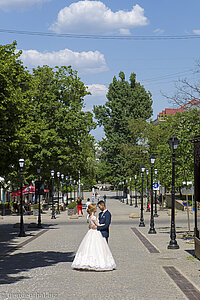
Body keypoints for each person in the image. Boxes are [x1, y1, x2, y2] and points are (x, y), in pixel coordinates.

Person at [71, 203, 116, 271]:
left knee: (91, 247)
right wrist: (98, 226)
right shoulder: (95, 217)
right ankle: (100, 263)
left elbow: (95, 224)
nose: (98, 208)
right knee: (99, 248)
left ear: (103, 205)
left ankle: (87, 262)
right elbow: (98, 224)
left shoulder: (90, 216)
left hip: (93, 232)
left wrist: (93, 226)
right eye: (96, 208)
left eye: (99, 206)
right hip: (96, 232)